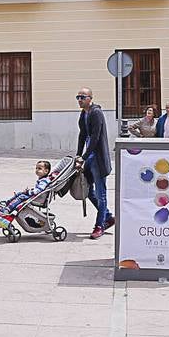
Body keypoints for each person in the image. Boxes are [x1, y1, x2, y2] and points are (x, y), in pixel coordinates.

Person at [76, 87, 113, 239]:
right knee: (87, 189)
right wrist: (78, 155)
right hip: (89, 158)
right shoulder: (83, 114)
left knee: (101, 193)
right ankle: (108, 217)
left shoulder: (96, 113)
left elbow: (96, 138)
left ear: (90, 98)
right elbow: (82, 135)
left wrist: (84, 157)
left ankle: (100, 225)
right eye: (78, 97)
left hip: (97, 158)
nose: (79, 100)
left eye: (82, 97)